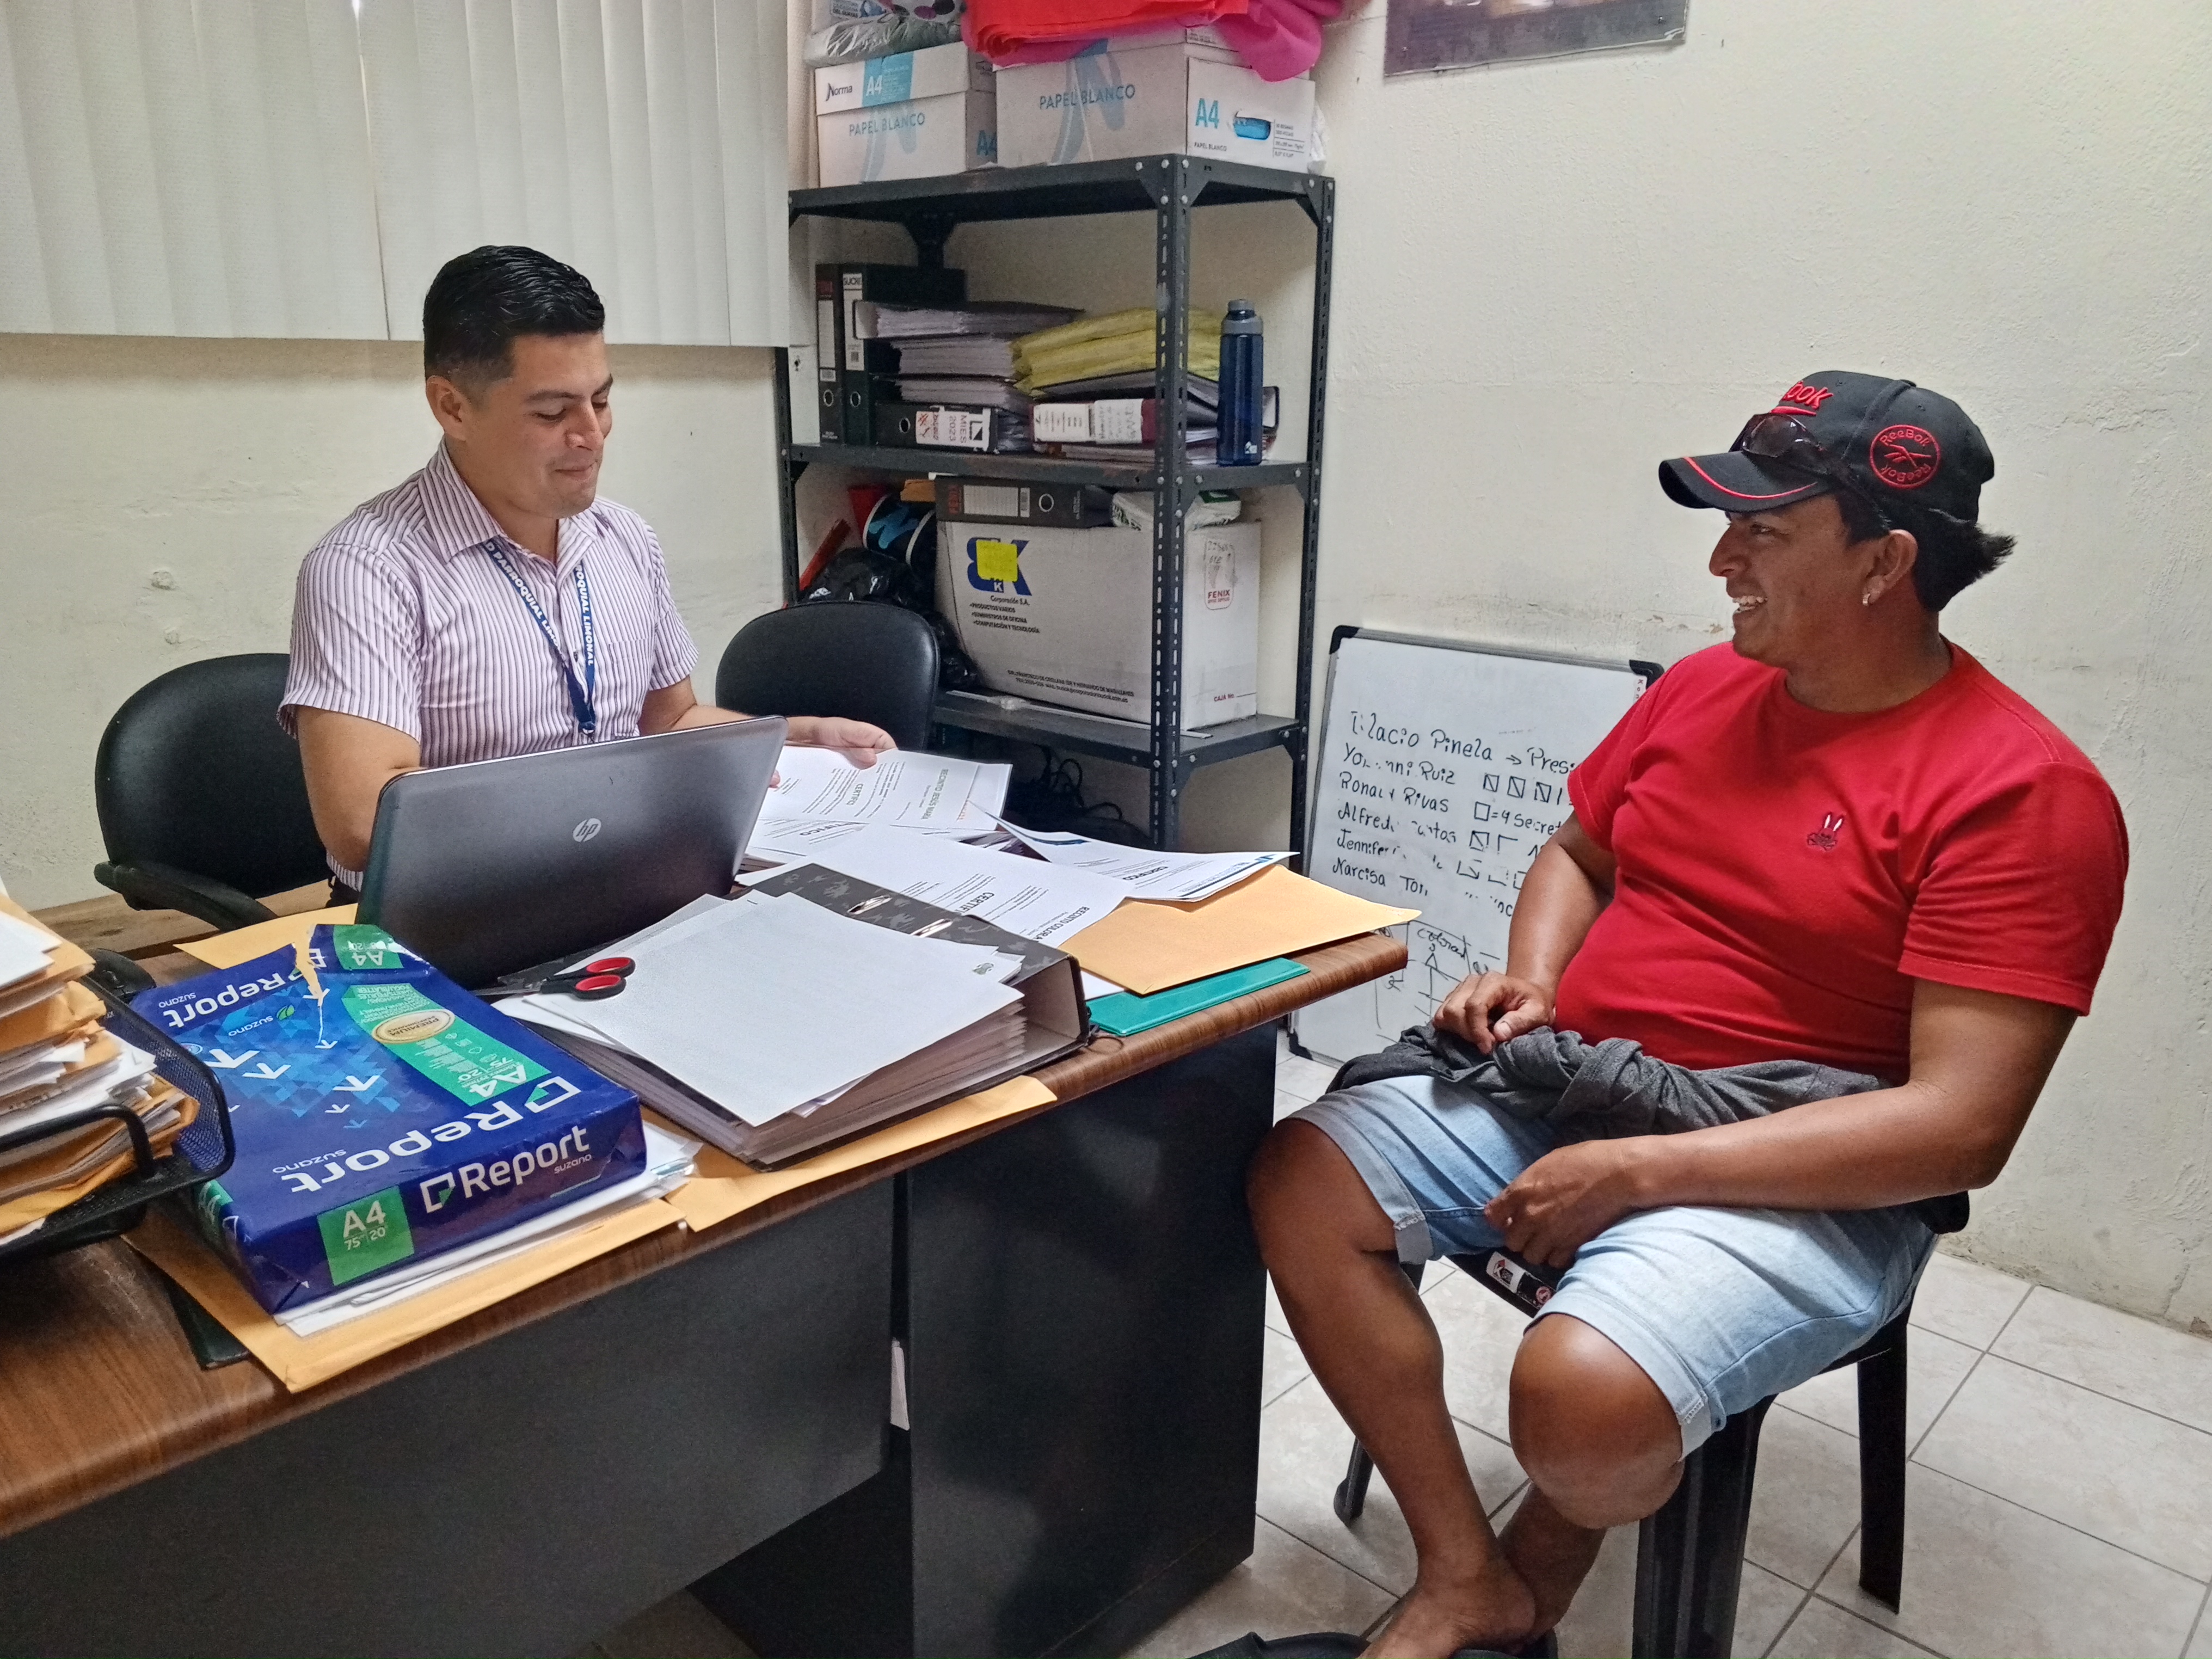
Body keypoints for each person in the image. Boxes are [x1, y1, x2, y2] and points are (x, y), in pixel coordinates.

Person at [1246, 373, 2128, 1658]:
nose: (1720, 563)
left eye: (1762, 532)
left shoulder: (2021, 793)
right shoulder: (1706, 688)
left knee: (1580, 1400)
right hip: (1591, 1082)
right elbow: (1577, 852)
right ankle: (1468, 1580)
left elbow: (1959, 1128)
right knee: (1299, 1178)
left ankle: (1537, 1569)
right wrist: (1535, 976)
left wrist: (1638, 1174)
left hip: (1802, 1163)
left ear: (1883, 564)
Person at [282, 245, 892, 897]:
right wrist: (589, 805)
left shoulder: (623, 538)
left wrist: (786, 740)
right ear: (452, 407)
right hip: (449, 908)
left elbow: (667, 723)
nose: (591, 435)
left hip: (619, 879)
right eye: (552, 413)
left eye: (599, 401)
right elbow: (363, 821)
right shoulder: (367, 570)